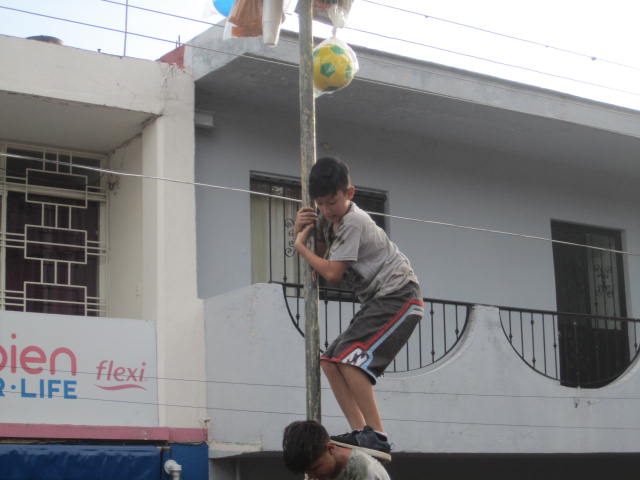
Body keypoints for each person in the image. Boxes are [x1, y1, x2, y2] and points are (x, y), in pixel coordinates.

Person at [294, 157, 424, 461]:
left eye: (333, 202)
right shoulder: (330, 219)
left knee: (351, 360)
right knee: (329, 360)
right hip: (378, 300)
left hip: (399, 295)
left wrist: (300, 246)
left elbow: (332, 274)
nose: (327, 209)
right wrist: (309, 227)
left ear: (349, 193)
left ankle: (377, 436)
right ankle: (360, 431)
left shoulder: (353, 220)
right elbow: (324, 258)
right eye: (321, 204)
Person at [283, 420, 390, 480]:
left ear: (330, 448)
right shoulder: (315, 471)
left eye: (316, 468)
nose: (312, 477)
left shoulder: (364, 470)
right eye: (307, 472)